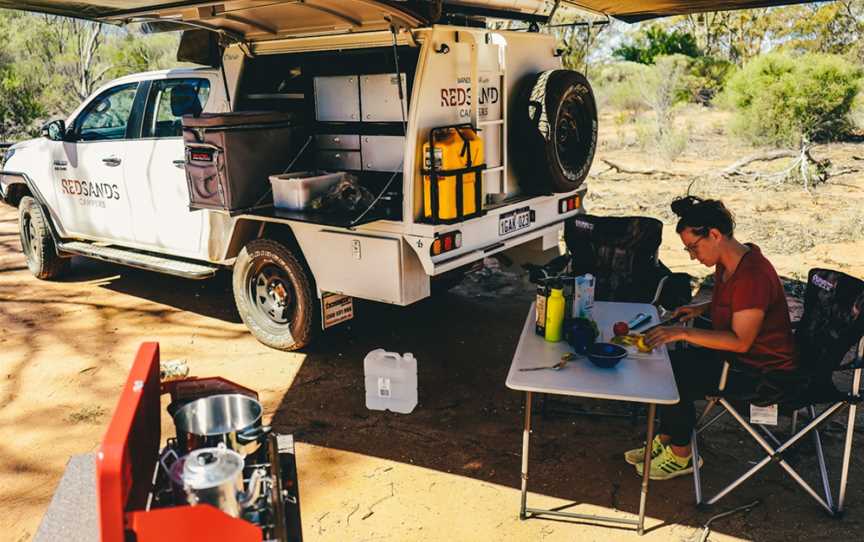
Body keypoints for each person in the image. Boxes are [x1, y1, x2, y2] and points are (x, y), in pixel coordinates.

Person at [623, 196, 798, 480]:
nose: (692, 256)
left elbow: (741, 340)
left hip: (763, 373)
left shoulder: (752, 275)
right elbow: (735, 305)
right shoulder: (732, 261)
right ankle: (667, 440)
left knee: (674, 375)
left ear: (714, 235)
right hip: (738, 360)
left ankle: (682, 455)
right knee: (666, 365)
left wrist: (683, 332)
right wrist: (700, 308)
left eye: (694, 247)